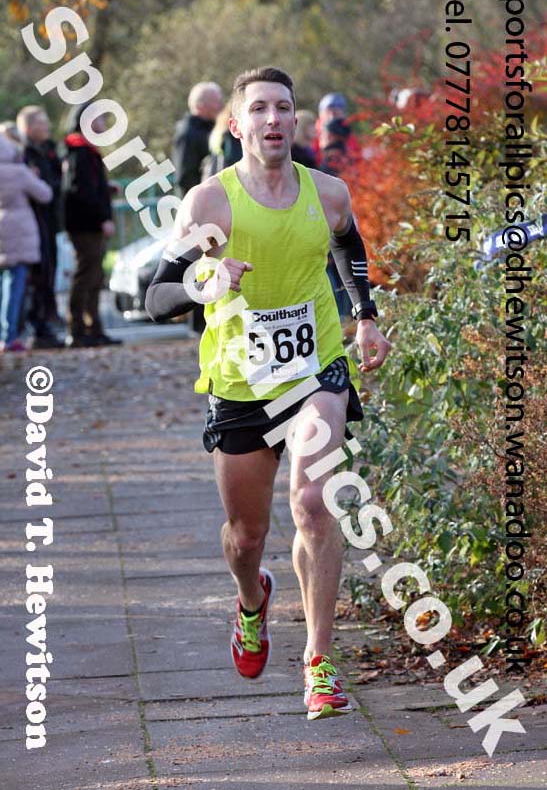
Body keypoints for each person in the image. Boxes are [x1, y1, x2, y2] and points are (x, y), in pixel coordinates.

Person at [145, 67, 391, 721]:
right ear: (237, 125)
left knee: (313, 503)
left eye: (283, 107)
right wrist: (204, 279)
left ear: (295, 120)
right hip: (238, 382)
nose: (273, 119)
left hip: (316, 369)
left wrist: (364, 315)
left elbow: (348, 246)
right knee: (245, 533)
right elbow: (156, 296)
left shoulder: (328, 192)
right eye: (258, 109)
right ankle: (251, 601)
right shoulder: (210, 204)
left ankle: (318, 664)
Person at [63, 104, 121, 347]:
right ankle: (78, 329)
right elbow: (80, 191)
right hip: (86, 226)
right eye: (99, 119)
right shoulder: (80, 152)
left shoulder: (86, 151)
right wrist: (102, 218)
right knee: (87, 276)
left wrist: (106, 191)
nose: (103, 124)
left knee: (94, 276)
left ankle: (93, 326)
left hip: (88, 224)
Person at [0, 134, 53, 353]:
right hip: (19, 231)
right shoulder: (19, 173)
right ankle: (8, 336)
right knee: (15, 285)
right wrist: (35, 177)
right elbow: (45, 194)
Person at [16, 105, 64, 347]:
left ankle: (44, 321)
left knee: (47, 273)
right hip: (33, 223)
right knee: (37, 277)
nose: (47, 127)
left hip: (46, 222)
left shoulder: (45, 151)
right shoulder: (25, 154)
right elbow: (42, 190)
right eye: (42, 123)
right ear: (30, 126)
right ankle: (37, 326)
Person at [173, 82, 224, 197]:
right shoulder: (187, 133)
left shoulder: (211, 129)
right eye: (217, 102)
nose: (221, 106)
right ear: (201, 105)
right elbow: (185, 177)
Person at [313, 92, 361, 168]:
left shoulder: (349, 136)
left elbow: (357, 159)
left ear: (344, 114)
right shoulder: (312, 134)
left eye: (336, 112)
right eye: (328, 112)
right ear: (320, 114)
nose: (332, 116)